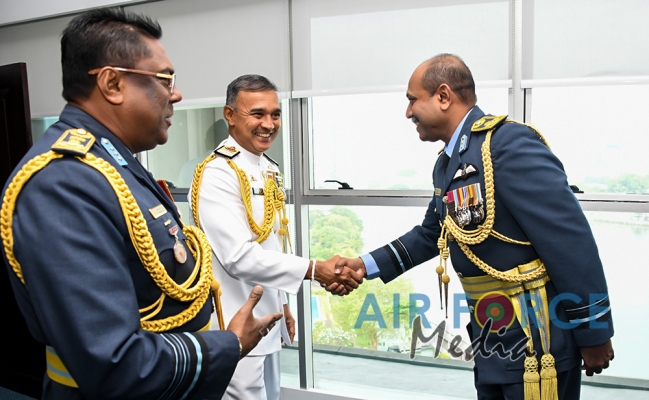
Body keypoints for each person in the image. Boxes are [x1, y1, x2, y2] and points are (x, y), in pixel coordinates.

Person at [0, 8, 282, 400]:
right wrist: (228, 344)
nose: (176, 94)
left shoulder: (115, 163)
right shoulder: (63, 183)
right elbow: (114, 363)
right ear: (112, 83)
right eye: (165, 79)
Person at [331, 54, 614, 400]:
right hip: (492, 340)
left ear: (443, 96)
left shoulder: (507, 144)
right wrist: (364, 265)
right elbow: (431, 234)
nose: (408, 112)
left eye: (412, 100)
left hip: (537, 343)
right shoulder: (449, 163)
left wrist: (594, 333)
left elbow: (570, 242)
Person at [188, 74, 364, 399]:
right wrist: (315, 270)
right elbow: (238, 257)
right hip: (233, 323)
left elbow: (274, 242)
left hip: (267, 319)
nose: (268, 124)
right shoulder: (217, 174)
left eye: (275, 114)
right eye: (257, 114)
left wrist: (283, 305)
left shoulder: (268, 168)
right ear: (230, 115)